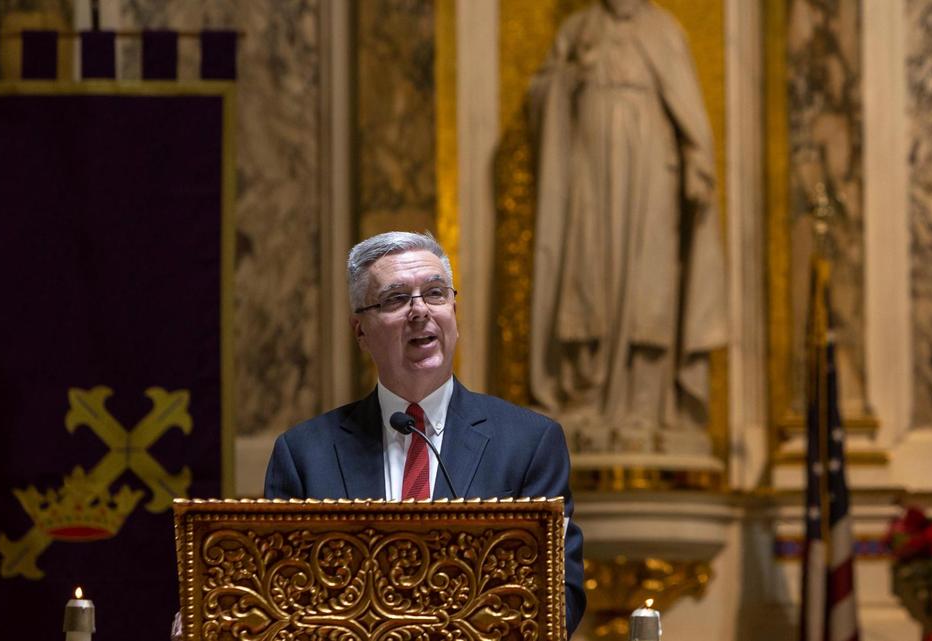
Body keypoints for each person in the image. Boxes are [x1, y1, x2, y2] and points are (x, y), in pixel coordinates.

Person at [264, 231, 586, 637]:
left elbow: (562, 595)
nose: (420, 311)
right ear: (360, 331)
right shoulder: (304, 454)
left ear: (454, 311)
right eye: (396, 299)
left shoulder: (528, 444)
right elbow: (282, 599)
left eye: (435, 293)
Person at [528, 0, 727, 457]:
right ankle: (586, 398)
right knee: (588, 274)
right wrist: (567, 82)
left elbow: (689, 110)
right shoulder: (578, 30)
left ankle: (644, 405)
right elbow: (541, 97)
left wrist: (699, 162)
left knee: (647, 285)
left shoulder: (665, 31)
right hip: (588, 172)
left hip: (653, 170)